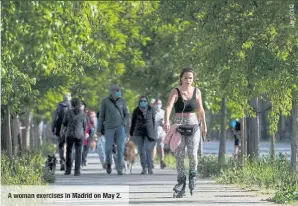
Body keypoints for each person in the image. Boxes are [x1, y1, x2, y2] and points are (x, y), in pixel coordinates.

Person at [163, 68, 207, 197]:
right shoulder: (175, 91)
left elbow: (201, 110)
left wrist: (204, 125)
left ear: (193, 79)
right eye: (186, 78)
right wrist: (166, 121)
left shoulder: (197, 91)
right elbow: (169, 107)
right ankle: (181, 181)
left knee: (193, 153)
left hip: (193, 126)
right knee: (180, 155)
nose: (188, 80)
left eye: (190, 78)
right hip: (179, 127)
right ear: (181, 78)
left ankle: (193, 175)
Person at [97, 85, 130, 175]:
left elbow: (127, 114)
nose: (119, 92)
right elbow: (101, 116)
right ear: (112, 91)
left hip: (120, 128)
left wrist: (124, 123)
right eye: (117, 90)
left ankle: (119, 168)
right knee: (108, 149)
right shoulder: (105, 101)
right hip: (109, 128)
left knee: (120, 148)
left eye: (119, 90)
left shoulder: (122, 101)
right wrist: (99, 129)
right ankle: (108, 164)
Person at [130, 96, 156, 174]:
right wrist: (131, 133)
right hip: (139, 133)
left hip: (149, 133)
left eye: (145, 101)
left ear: (147, 101)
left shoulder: (151, 110)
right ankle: (144, 168)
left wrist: (152, 131)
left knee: (148, 150)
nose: (143, 102)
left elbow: (153, 121)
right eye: (141, 101)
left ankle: (150, 167)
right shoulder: (136, 110)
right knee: (141, 150)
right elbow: (133, 123)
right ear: (139, 102)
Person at [63, 98, 87, 176]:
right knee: (78, 152)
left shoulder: (68, 112)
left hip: (70, 134)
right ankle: (77, 171)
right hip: (79, 135)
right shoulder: (83, 113)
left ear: (72, 104)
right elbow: (84, 125)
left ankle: (68, 170)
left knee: (69, 151)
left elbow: (65, 123)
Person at [51, 93, 72, 171]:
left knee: (61, 145)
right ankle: (68, 162)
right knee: (70, 146)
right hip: (71, 129)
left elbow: (55, 118)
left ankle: (62, 161)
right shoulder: (73, 106)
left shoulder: (60, 106)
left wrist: (53, 128)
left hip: (60, 129)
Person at [153, 99, 167, 169]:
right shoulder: (152, 112)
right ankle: (152, 162)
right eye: (157, 103)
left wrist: (163, 123)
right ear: (154, 104)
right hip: (153, 133)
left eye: (159, 104)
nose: (158, 105)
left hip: (161, 133)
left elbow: (167, 123)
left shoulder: (164, 112)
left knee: (161, 147)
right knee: (154, 148)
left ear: (161, 105)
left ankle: (162, 162)